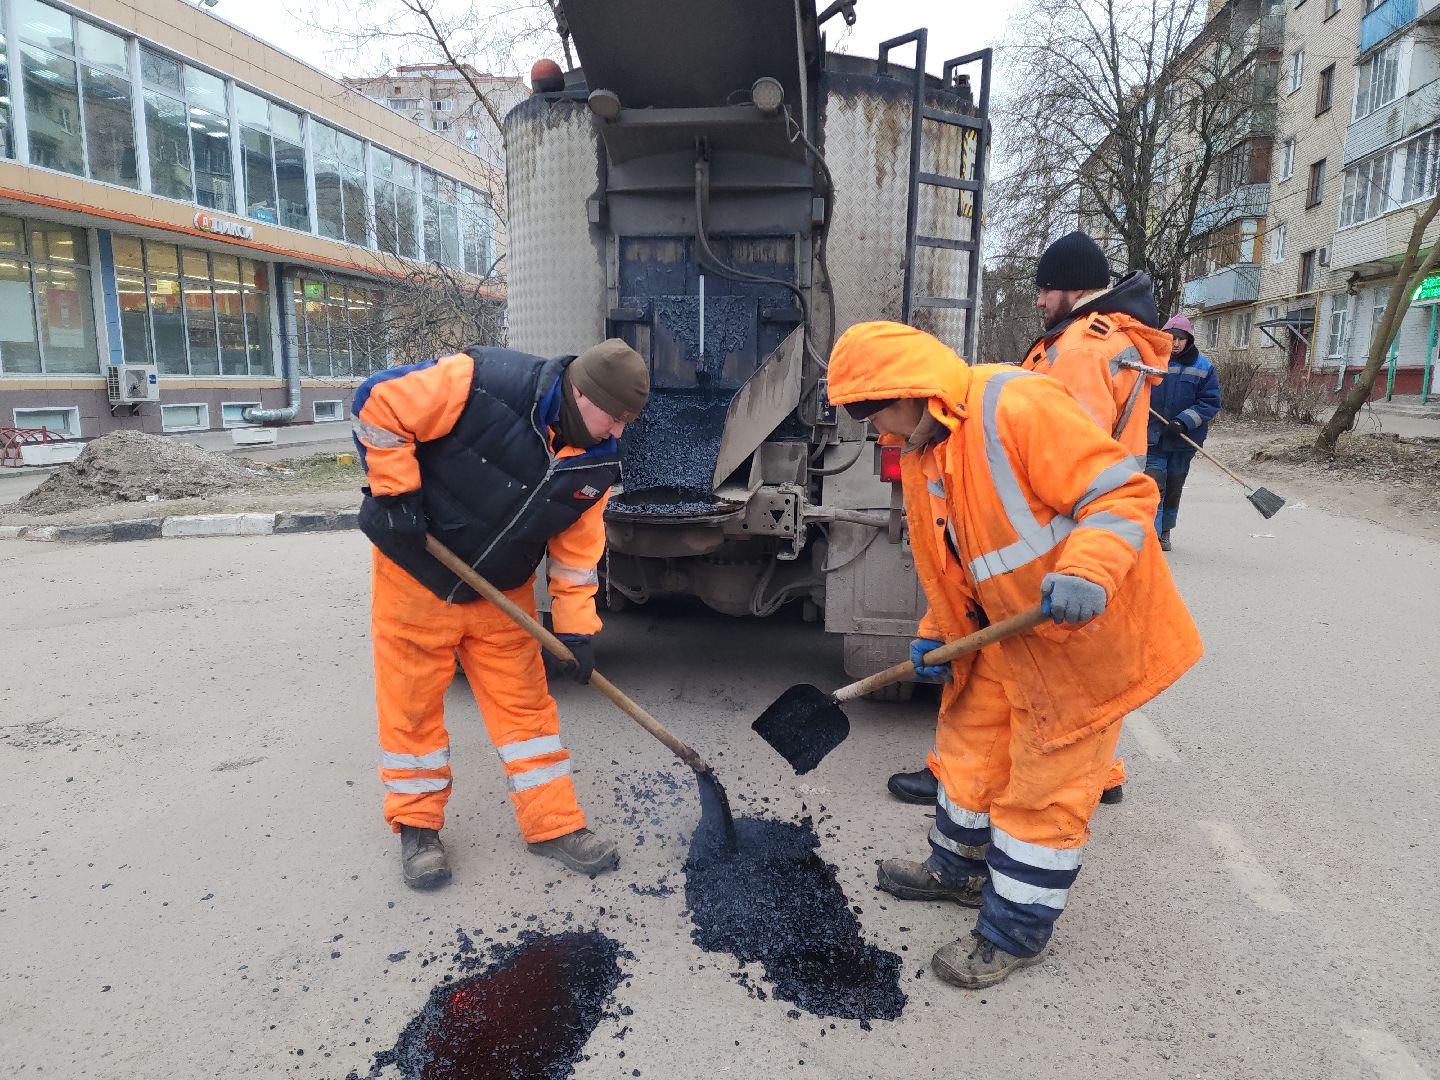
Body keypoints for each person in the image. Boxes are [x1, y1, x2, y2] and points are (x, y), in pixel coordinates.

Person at [829, 321, 1201, 988]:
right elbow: (953, 564)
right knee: (969, 750)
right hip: (1006, 635)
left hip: (1084, 637)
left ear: (910, 390)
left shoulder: (1016, 405)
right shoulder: (923, 451)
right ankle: (959, 872)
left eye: (870, 407)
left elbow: (1122, 492)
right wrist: (937, 631)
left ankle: (1014, 932)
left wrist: (1088, 571)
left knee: (1043, 791)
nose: (870, 426)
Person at [886, 231, 1172, 809]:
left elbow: (1063, 453)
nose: (1039, 302)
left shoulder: (1084, 350)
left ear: (1075, 288)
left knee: (1025, 670)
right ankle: (1101, 771)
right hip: (1095, 529)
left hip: (1074, 532)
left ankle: (976, 782)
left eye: (1046, 290)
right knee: (1083, 665)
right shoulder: (1106, 340)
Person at [351, 339, 650, 890]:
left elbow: (577, 556)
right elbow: (379, 401)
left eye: (629, 423)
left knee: (528, 715)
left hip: (500, 594)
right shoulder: (481, 381)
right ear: (581, 394)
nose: (618, 433)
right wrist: (395, 493)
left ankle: (554, 825)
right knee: (411, 712)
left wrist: (577, 630)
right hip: (416, 578)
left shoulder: (599, 462)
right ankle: (417, 828)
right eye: (614, 418)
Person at [1147, 315, 1222, 551]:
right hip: (1154, 437)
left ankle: (1165, 531)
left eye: (1180, 338)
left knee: (1173, 488)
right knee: (1153, 485)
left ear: (1189, 340)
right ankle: (1152, 536)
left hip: (1183, 441)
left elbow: (1209, 402)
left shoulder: (1203, 368)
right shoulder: (1152, 361)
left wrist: (1184, 421)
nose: (1176, 343)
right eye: (1171, 338)